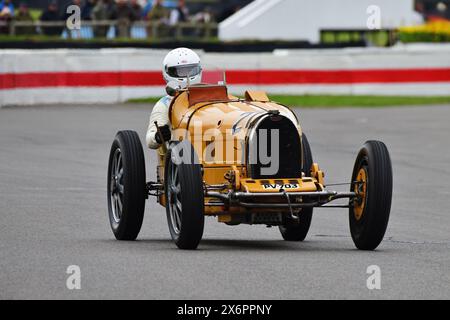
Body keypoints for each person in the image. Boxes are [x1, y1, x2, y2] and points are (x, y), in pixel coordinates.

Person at [146, 48, 202, 149]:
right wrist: (158, 136)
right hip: (179, 156)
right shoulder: (165, 104)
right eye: (180, 71)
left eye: (190, 70)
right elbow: (150, 139)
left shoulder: (210, 98)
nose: (187, 75)